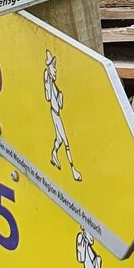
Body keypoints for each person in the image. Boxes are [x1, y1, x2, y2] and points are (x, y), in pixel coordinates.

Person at [45, 50, 81, 181]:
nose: (55, 70)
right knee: (66, 142)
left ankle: (54, 153)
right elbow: (48, 97)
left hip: (57, 113)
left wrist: (61, 96)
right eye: (53, 67)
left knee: (59, 140)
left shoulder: (55, 86)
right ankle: (73, 170)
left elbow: (59, 104)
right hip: (55, 115)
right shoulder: (49, 84)